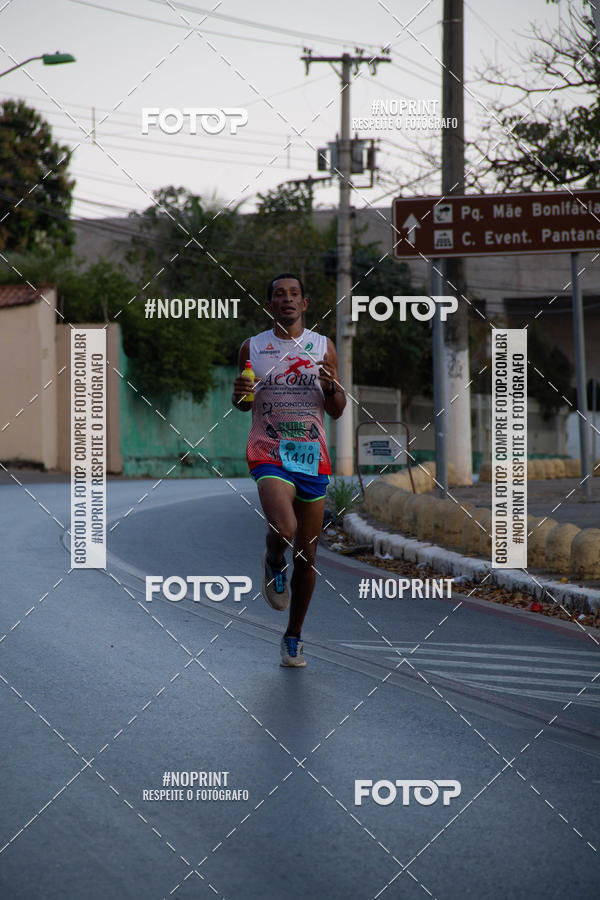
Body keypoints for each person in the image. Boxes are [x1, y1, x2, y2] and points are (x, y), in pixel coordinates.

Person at [232, 274, 346, 667]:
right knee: (284, 527)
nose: (287, 300)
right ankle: (272, 557)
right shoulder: (253, 346)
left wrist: (331, 388)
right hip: (269, 450)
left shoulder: (322, 346)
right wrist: (240, 396)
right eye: (279, 295)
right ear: (269, 305)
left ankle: (294, 636)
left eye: (294, 294)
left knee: (309, 554)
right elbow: (244, 403)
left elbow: (337, 409)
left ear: (305, 303)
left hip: (311, 456)